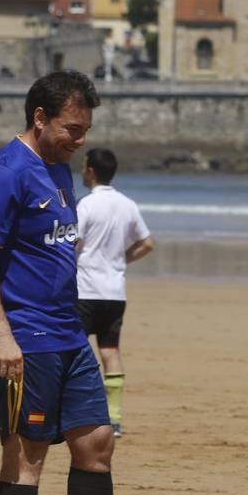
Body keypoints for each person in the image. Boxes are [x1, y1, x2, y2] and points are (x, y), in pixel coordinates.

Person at [0, 70, 169, 495]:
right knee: (25, 456)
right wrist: (0, 333)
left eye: (84, 130)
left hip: (69, 332)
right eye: (71, 128)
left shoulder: (57, 169)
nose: (80, 140)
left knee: (97, 443)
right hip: (24, 339)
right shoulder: (6, 171)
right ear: (40, 117)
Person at [75, 148, 154, 438]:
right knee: (110, 351)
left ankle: (77, 409)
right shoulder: (128, 205)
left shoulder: (86, 205)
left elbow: (75, 243)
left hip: (85, 289)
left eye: (84, 166)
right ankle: (115, 418)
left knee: (76, 351)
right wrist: (121, 260)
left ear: (91, 171)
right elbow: (147, 243)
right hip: (114, 291)